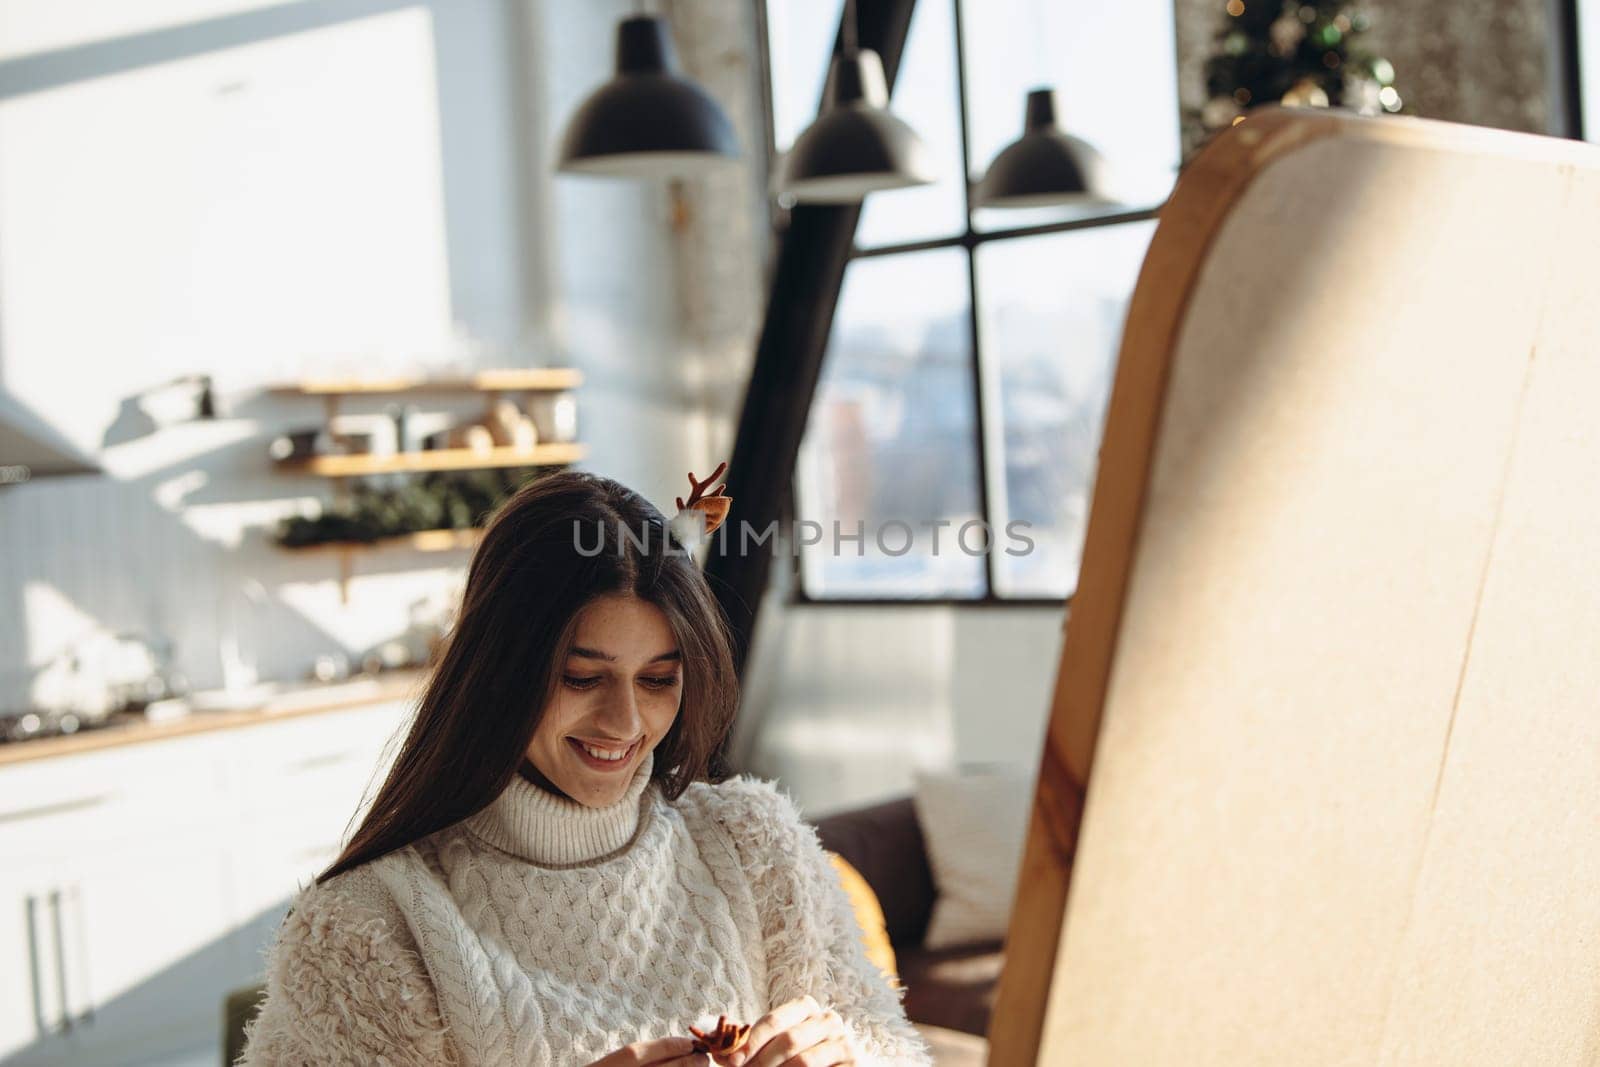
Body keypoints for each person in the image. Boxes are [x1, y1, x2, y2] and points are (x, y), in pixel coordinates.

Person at [238, 469, 932, 1067]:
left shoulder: (754, 844)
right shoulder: (369, 928)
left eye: (659, 679)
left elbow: (891, 1045)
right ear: (500, 670)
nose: (626, 723)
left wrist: (847, 1054)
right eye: (581, 677)